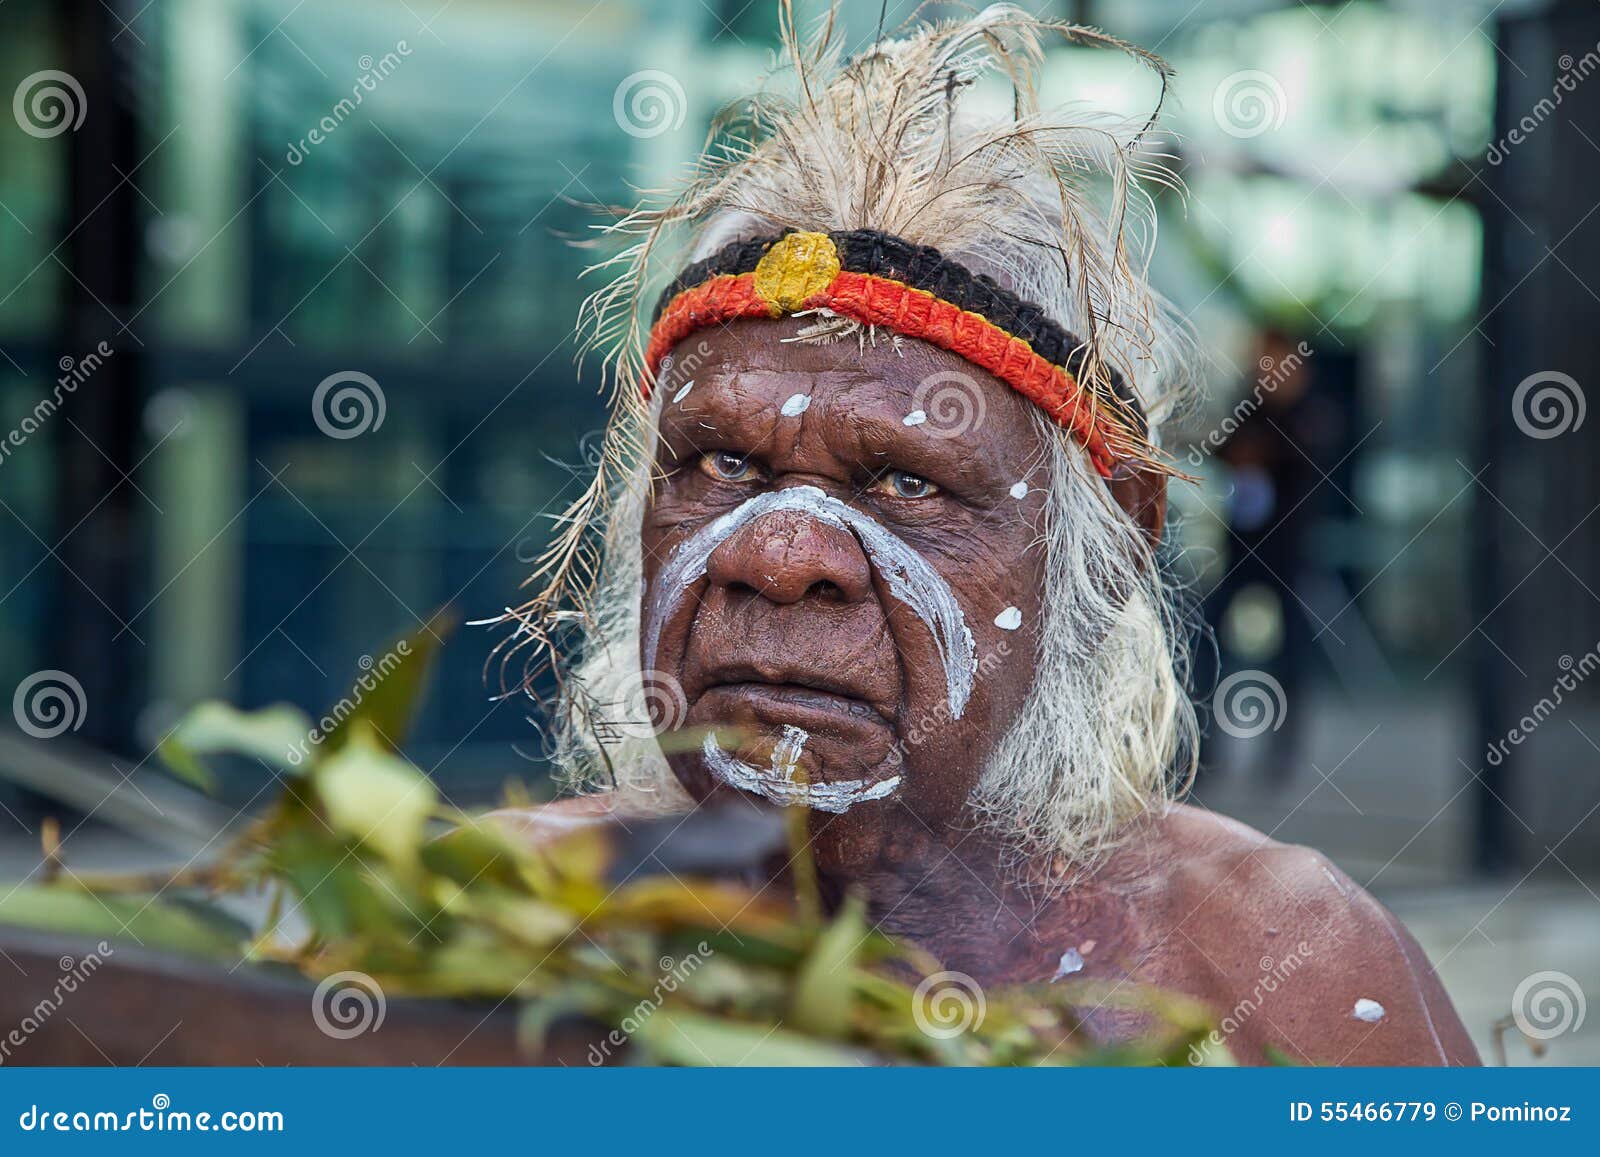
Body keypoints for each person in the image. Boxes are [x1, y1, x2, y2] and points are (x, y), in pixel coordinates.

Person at [484, 4, 1476, 1065]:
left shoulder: (1281, 972)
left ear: (1115, 545)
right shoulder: (463, 929)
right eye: (721, 464)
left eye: (906, 479)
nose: (773, 555)